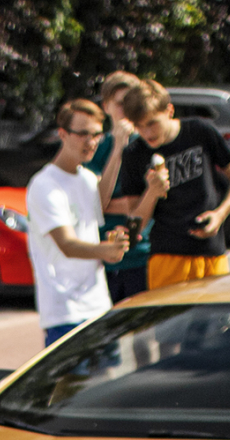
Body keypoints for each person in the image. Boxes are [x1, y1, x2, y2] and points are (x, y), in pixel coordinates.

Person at [110, 78, 230, 289]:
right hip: (167, 256)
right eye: (139, 126)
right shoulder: (134, 154)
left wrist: (220, 214)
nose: (147, 133)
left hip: (211, 252)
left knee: (215, 320)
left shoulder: (199, 131)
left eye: (152, 123)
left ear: (169, 110)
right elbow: (135, 221)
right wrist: (152, 192)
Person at [23, 98, 131, 346]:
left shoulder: (87, 178)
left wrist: (117, 148)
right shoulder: (44, 185)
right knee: (71, 385)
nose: (91, 142)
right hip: (65, 314)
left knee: (106, 384)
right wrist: (105, 250)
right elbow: (67, 245)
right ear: (62, 134)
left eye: (96, 135)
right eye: (83, 134)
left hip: (99, 307)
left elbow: (100, 203)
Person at [90, 72, 154, 301]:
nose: (126, 110)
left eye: (131, 103)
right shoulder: (96, 147)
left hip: (143, 254)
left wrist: (122, 205)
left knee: (145, 335)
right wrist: (118, 147)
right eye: (119, 104)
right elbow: (96, 204)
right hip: (107, 259)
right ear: (106, 107)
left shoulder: (149, 145)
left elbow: (154, 199)